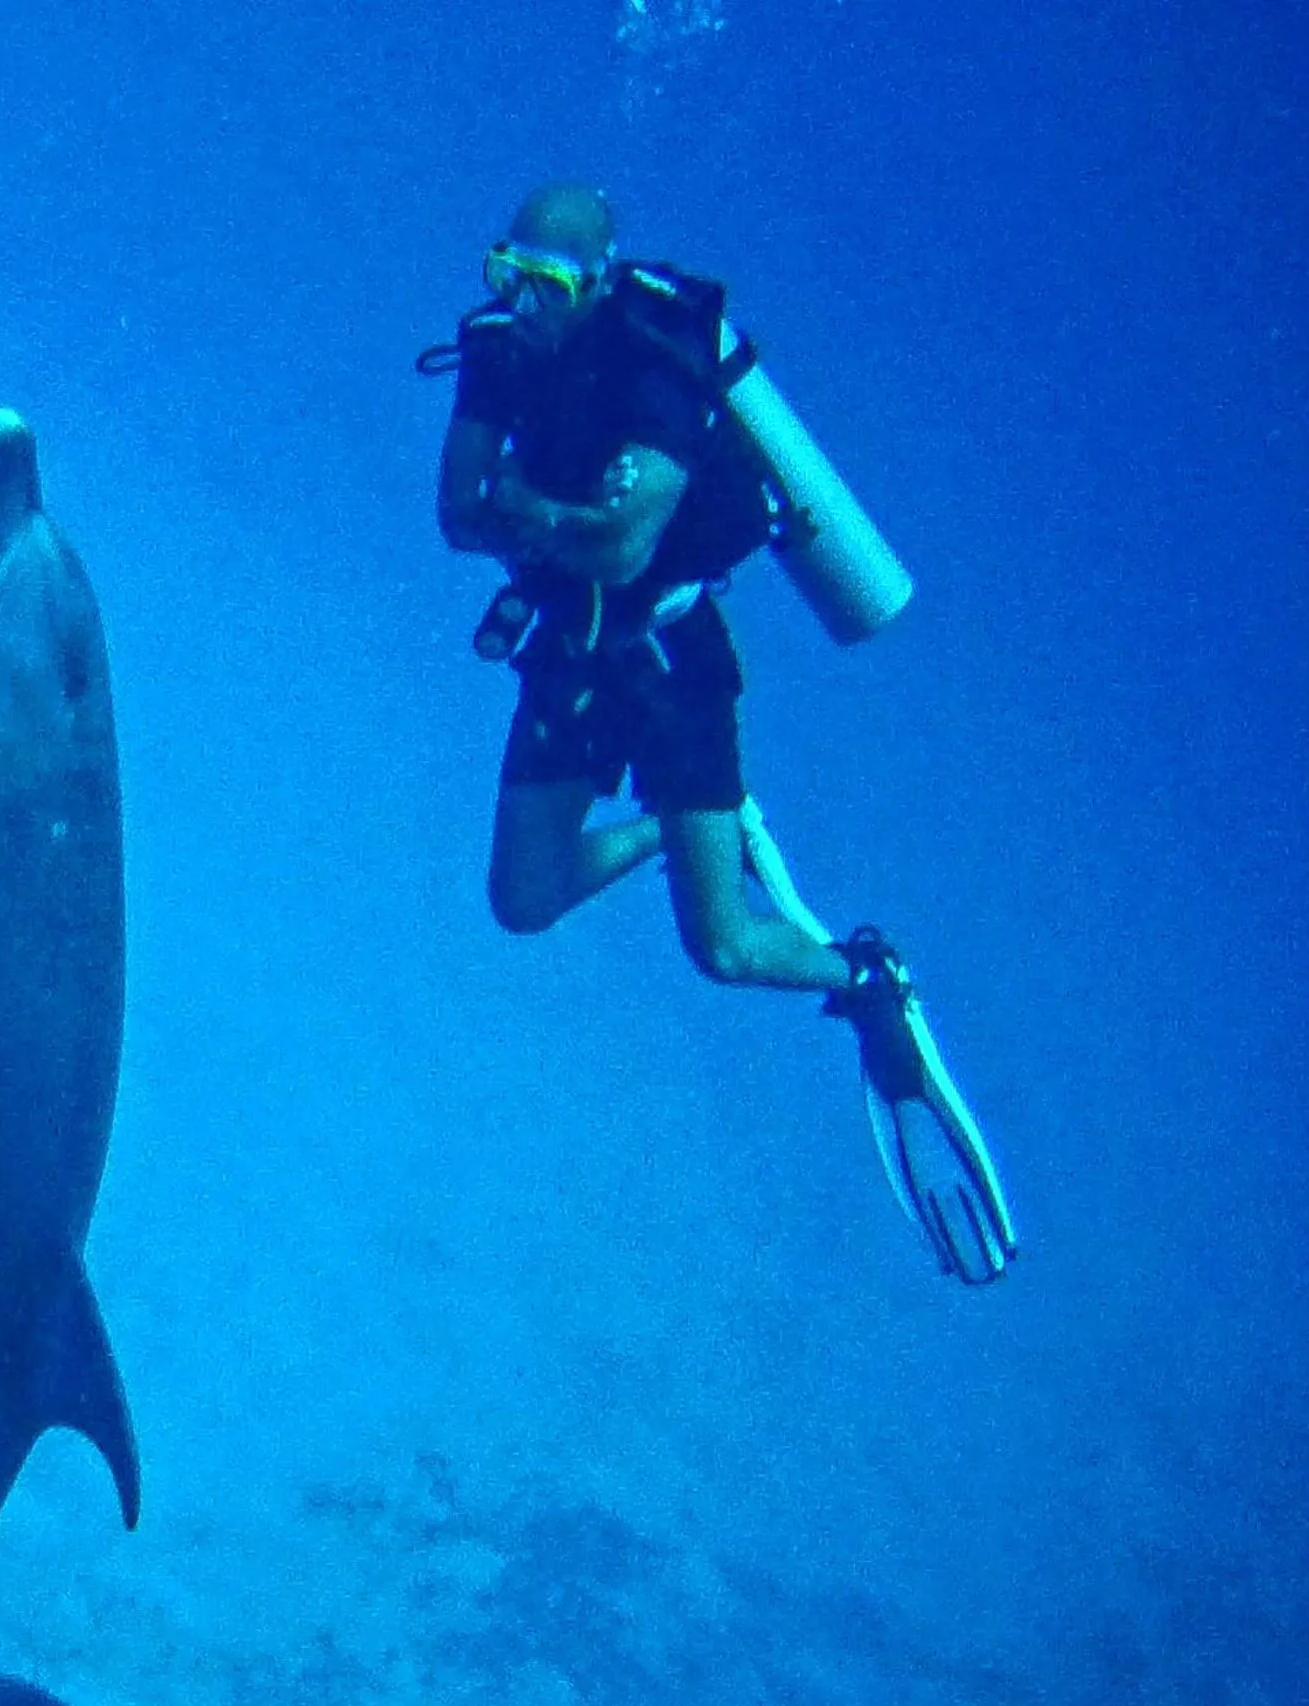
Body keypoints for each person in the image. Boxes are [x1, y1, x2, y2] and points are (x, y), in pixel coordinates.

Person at [431, 182, 1016, 1282]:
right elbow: (456, 513)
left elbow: (619, 545)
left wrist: (535, 514)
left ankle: (863, 974)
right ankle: (679, 830)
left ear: (596, 280)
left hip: (670, 668)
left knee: (726, 948)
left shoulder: (656, 355)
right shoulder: (497, 348)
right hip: (566, 651)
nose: (522, 303)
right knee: (522, 897)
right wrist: (558, 522)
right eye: (502, 273)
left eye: (548, 283)